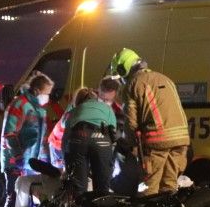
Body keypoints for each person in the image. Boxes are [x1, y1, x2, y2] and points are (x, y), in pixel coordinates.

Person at [109, 48, 190, 195]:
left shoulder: (133, 84)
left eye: (120, 76)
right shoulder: (165, 79)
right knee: (169, 187)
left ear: (124, 68)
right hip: (181, 140)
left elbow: (130, 122)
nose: (121, 80)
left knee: (148, 190)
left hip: (157, 142)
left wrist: (127, 145)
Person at [0, 71, 54, 207]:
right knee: (15, 196)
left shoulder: (38, 110)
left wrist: (43, 163)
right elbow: (10, 133)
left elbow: (41, 139)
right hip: (16, 161)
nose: (48, 97)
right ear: (37, 91)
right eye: (46, 93)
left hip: (30, 162)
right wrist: (19, 156)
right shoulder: (20, 105)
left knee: (30, 198)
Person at [62, 88, 118, 195]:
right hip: (101, 139)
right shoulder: (107, 108)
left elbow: (65, 140)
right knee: (102, 188)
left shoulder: (75, 110)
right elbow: (113, 134)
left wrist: (66, 164)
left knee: (79, 187)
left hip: (78, 138)